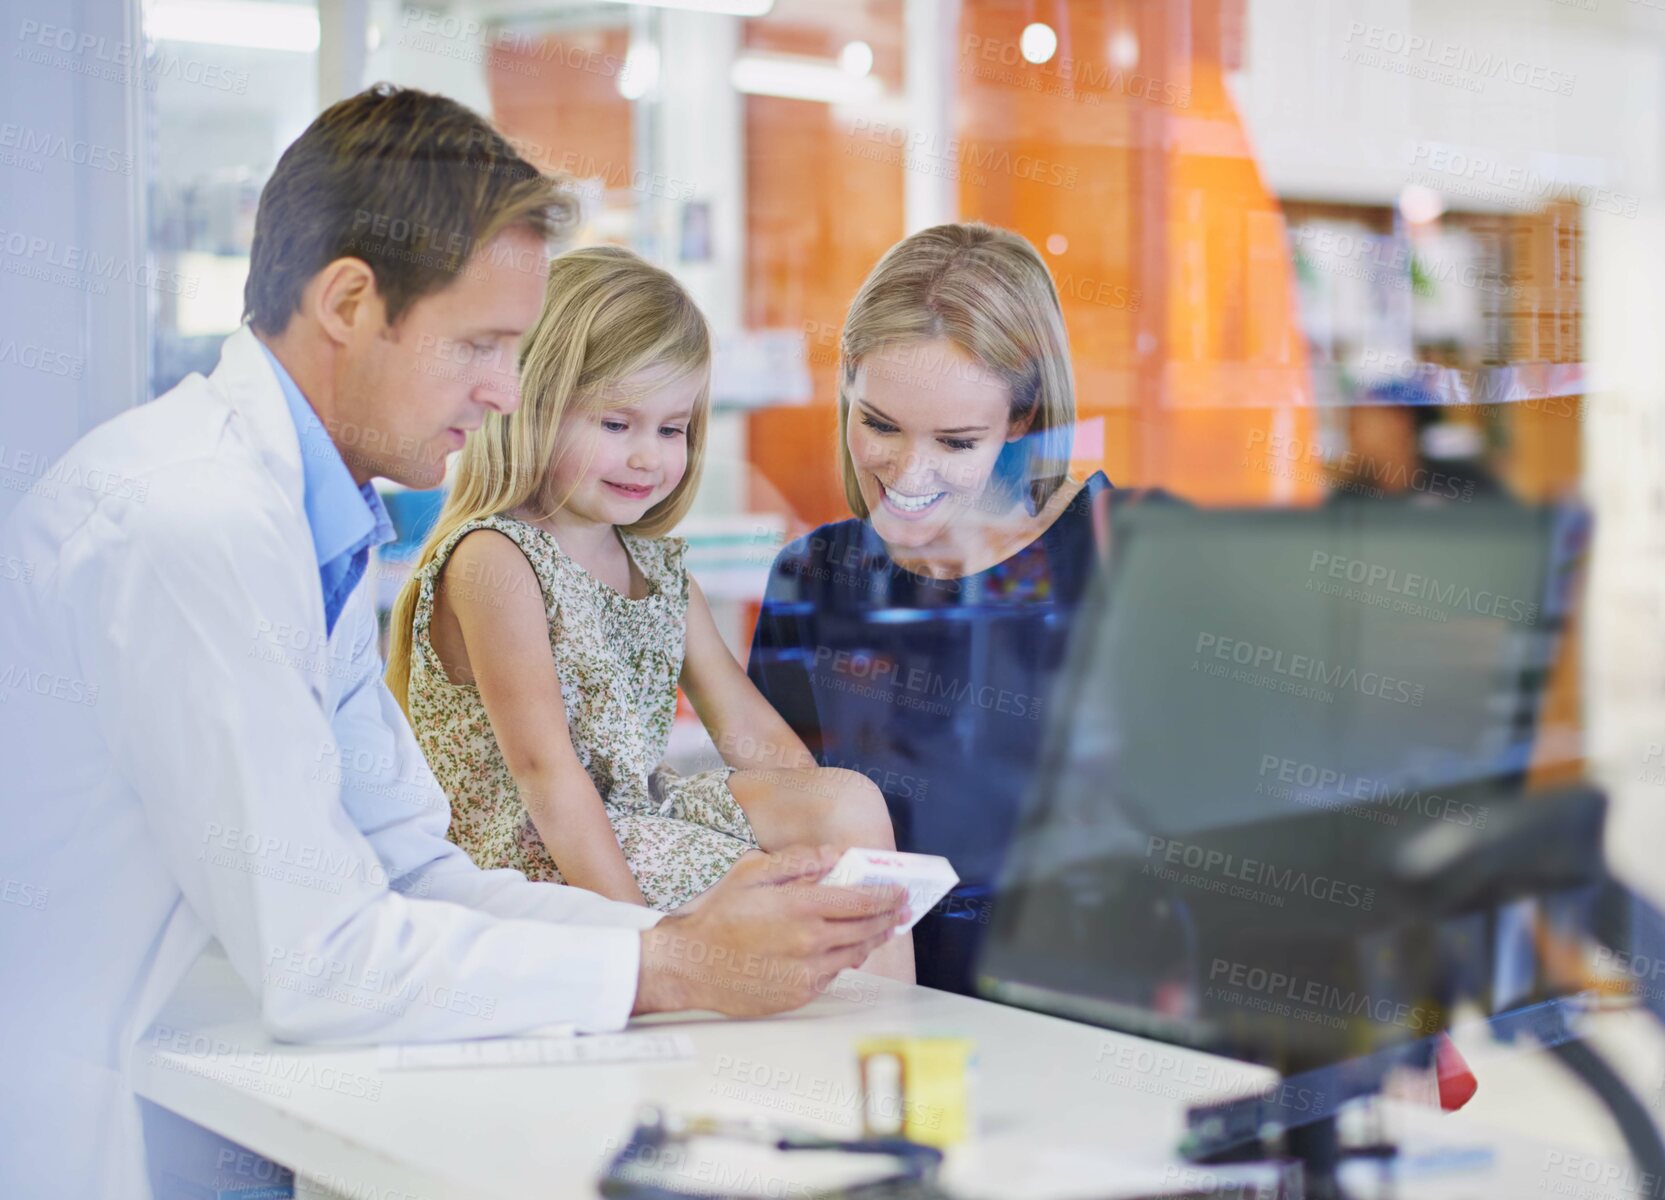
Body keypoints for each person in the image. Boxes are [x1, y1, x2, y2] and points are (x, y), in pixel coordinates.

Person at [0, 85, 904, 1198]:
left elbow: (415, 870)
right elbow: (320, 958)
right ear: (347, 302)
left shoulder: (304, 525)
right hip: (89, 1119)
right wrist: (669, 960)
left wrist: (676, 939)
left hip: (200, 1082)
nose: (505, 390)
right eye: (480, 343)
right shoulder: (193, 523)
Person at [385, 245, 913, 980]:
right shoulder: (493, 558)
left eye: (671, 430)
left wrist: (808, 837)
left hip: (636, 816)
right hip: (534, 851)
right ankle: (841, 1026)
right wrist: (646, 944)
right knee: (747, 893)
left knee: (846, 802)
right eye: (615, 424)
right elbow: (545, 774)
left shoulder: (659, 571)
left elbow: (755, 737)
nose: (648, 458)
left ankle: (893, 1032)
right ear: (533, 406)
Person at [747, 223, 1114, 995]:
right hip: (873, 1020)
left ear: (1023, 419)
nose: (908, 472)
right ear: (847, 381)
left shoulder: (1123, 556)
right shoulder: (815, 577)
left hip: (1088, 1024)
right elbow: (780, 833)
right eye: (878, 424)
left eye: (954, 441)